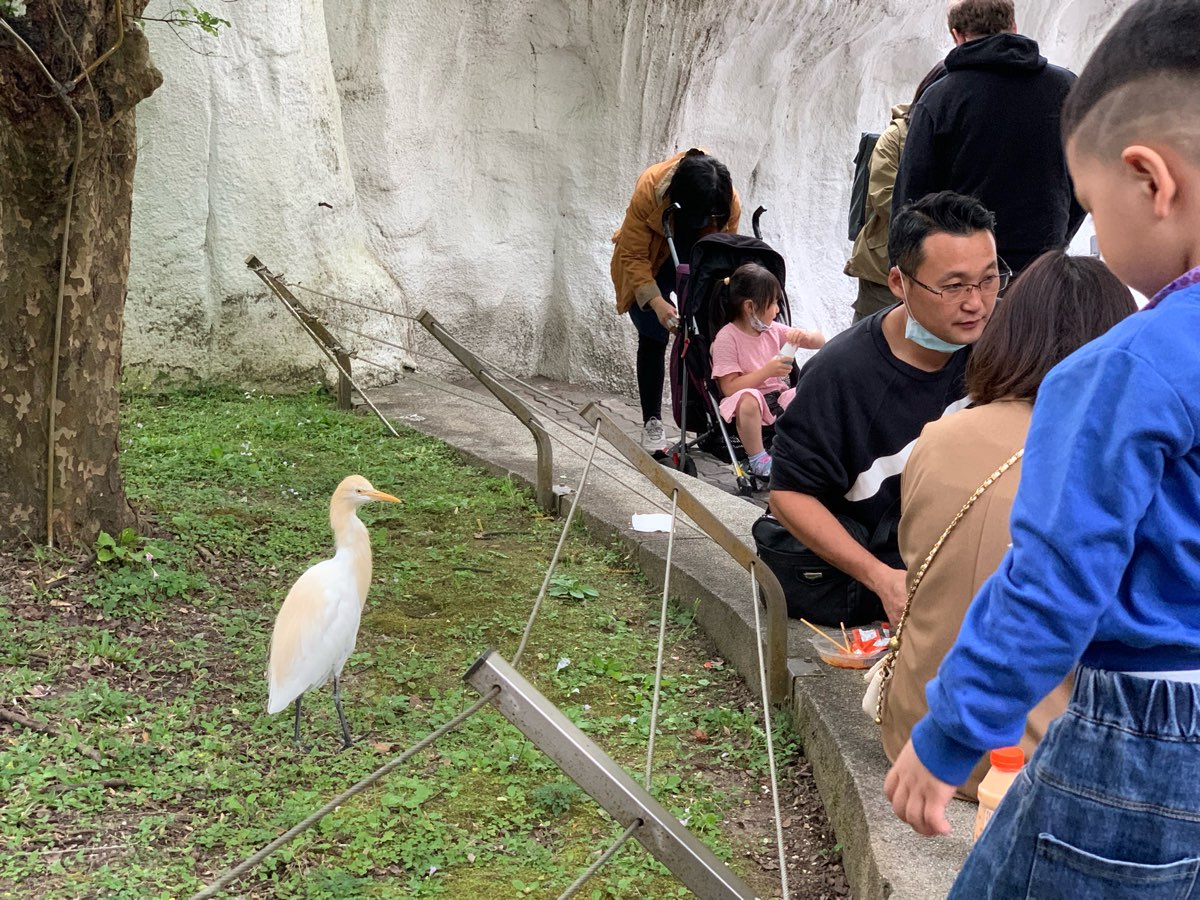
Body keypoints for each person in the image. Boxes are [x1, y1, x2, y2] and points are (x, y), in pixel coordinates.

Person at [885, 2, 1200, 894]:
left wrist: (949, 732)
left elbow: (1053, 581)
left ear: (1151, 180)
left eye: (1092, 208)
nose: (1090, 234)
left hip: (1147, 734)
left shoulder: (1125, 369)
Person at [880, 250, 1135, 801]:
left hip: (912, 728)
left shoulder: (940, 434)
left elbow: (914, 555)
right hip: (1034, 761)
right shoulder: (1111, 461)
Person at [769, 190, 1004, 624]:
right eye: (953, 286)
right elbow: (788, 494)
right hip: (883, 579)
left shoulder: (1009, 342)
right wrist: (880, 577)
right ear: (898, 283)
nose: (976, 303)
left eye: (989, 279)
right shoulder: (840, 374)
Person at [892, 0, 1085, 275]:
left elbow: (912, 194)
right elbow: (1087, 175)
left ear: (957, 35)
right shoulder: (1066, 88)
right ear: (1014, 26)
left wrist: (905, 269)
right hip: (1041, 267)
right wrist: (1059, 237)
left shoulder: (939, 98)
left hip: (964, 270)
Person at [611, 149, 741, 448]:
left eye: (712, 215)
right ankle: (652, 423)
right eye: (702, 214)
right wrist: (657, 303)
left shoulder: (726, 199)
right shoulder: (651, 188)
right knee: (653, 333)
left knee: (704, 336)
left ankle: (709, 423)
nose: (709, 219)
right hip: (651, 261)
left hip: (699, 261)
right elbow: (633, 254)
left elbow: (724, 252)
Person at [846, 62, 947, 322]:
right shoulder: (895, 137)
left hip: (939, 267)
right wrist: (940, 226)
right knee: (870, 337)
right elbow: (883, 197)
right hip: (885, 262)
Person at [711, 263, 825, 478]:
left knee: (807, 390)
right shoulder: (727, 337)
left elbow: (820, 341)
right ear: (750, 307)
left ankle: (806, 449)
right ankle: (758, 459)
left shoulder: (773, 330)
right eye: (773, 303)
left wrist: (804, 336)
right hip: (745, 403)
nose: (778, 310)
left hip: (777, 400)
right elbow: (728, 388)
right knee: (749, 398)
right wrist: (767, 371)